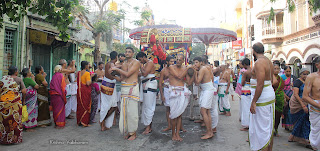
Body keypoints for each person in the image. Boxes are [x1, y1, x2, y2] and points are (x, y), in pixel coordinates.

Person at [249, 42, 275, 151]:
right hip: (268, 95)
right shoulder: (269, 61)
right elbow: (273, 81)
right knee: (268, 128)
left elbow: (260, 84)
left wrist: (254, 101)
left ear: (253, 51)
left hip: (262, 97)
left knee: (262, 129)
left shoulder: (259, 63)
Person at [111, 47, 141, 141]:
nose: (127, 53)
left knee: (132, 112)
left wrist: (117, 68)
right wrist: (113, 73)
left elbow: (128, 74)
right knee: (125, 112)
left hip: (132, 88)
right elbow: (122, 78)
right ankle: (128, 131)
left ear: (133, 53)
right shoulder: (123, 64)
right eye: (126, 52)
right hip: (124, 88)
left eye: (129, 52)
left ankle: (133, 133)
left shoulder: (136, 62)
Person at [168, 54, 192, 141]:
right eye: (177, 59)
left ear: (183, 61)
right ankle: (173, 134)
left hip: (182, 92)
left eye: (180, 60)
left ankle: (177, 134)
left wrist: (192, 71)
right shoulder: (171, 67)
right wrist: (187, 69)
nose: (178, 61)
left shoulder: (184, 69)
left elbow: (189, 82)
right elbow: (179, 76)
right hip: (174, 92)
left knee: (179, 115)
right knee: (174, 115)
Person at [0, 66, 26, 144]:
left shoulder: (2, 79)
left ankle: (3, 139)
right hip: (15, 106)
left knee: (4, 122)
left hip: (3, 105)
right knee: (15, 122)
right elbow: (24, 91)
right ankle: (14, 139)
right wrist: (23, 100)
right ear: (15, 72)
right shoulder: (18, 79)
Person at [287, 68, 311, 148]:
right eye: (304, 74)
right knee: (300, 121)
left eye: (307, 74)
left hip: (306, 102)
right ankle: (304, 139)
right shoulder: (297, 82)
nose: (306, 76)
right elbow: (296, 94)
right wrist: (303, 105)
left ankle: (300, 138)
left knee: (304, 122)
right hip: (298, 104)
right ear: (300, 74)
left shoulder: (309, 82)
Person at [193, 57, 216, 139]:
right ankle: (209, 131)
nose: (195, 64)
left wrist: (195, 72)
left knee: (203, 110)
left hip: (208, 90)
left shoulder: (202, 69)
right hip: (206, 90)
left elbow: (197, 82)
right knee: (207, 111)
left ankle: (209, 132)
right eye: (194, 62)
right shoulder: (202, 69)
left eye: (196, 62)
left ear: (201, 62)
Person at [136, 52, 157, 135]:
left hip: (149, 86)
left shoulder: (149, 63)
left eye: (140, 59)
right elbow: (142, 74)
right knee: (145, 106)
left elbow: (144, 73)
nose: (140, 61)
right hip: (146, 86)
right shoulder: (146, 64)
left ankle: (148, 128)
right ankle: (148, 126)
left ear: (144, 57)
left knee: (148, 106)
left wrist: (140, 66)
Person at [303, 56, 320, 150]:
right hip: (316, 109)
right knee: (316, 133)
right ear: (317, 65)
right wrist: (318, 105)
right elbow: (305, 96)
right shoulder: (311, 77)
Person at [100, 51, 119, 131]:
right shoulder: (110, 64)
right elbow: (108, 76)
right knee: (106, 105)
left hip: (110, 86)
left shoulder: (111, 64)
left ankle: (104, 121)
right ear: (116, 57)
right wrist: (117, 77)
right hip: (108, 86)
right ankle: (102, 122)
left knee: (114, 106)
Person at [160, 56, 175, 131]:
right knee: (168, 108)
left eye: (173, 61)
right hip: (166, 90)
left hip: (175, 90)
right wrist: (162, 95)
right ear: (167, 62)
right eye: (171, 61)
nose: (173, 63)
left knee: (176, 108)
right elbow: (160, 84)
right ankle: (169, 125)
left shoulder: (175, 69)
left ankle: (179, 126)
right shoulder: (163, 71)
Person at [76, 61, 92, 127]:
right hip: (85, 91)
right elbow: (88, 83)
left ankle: (80, 120)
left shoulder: (79, 73)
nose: (89, 66)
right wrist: (91, 77)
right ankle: (84, 122)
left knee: (80, 105)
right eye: (88, 65)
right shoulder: (87, 73)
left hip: (80, 91)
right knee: (86, 106)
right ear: (85, 66)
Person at [272, 63, 285, 136]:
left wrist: (284, 98)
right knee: (272, 115)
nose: (276, 70)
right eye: (275, 69)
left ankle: (276, 129)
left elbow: (282, 89)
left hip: (280, 98)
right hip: (272, 98)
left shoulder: (280, 79)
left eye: (278, 69)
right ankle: (271, 130)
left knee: (278, 115)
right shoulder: (270, 78)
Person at [281, 66, 296, 131]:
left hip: (292, 95)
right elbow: (281, 88)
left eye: (289, 71)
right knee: (285, 111)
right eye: (287, 71)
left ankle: (291, 125)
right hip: (284, 95)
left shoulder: (293, 78)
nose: (288, 73)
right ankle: (286, 125)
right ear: (284, 71)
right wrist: (285, 96)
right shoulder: (282, 77)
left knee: (291, 111)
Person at [240, 58, 252, 131]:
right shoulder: (254, 71)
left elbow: (242, 83)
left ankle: (246, 124)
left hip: (246, 89)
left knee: (245, 107)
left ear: (244, 64)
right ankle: (251, 124)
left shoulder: (246, 73)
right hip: (252, 89)